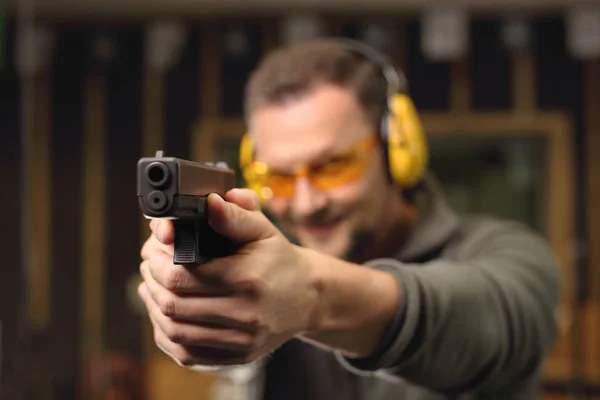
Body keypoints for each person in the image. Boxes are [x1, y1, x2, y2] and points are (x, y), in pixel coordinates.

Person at [137, 38, 561, 399]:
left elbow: (492, 326)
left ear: (398, 151)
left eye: (333, 166)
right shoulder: (259, 267)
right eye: (279, 177)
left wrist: (315, 297)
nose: (306, 204)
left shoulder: (507, 253)